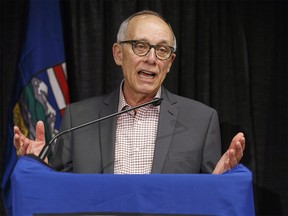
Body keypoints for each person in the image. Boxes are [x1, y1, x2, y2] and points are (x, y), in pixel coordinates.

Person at [14, 10, 245, 174]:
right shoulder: (79, 117)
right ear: (118, 54)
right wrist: (39, 165)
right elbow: (61, 192)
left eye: (162, 49)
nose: (152, 58)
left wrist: (219, 184)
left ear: (170, 62)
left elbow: (209, 199)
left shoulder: (201, 121)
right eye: (141, 46)